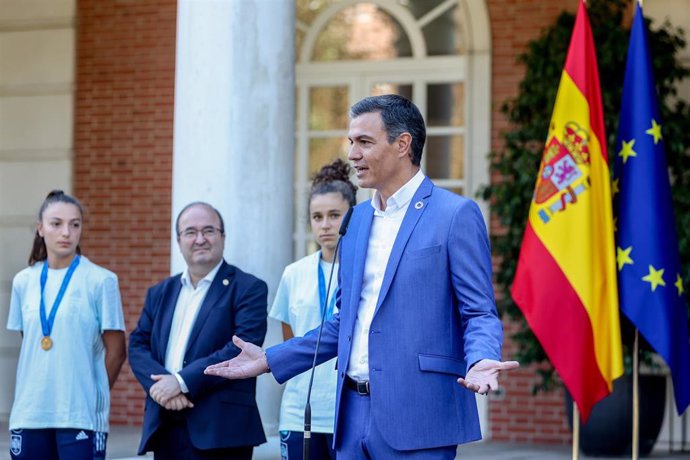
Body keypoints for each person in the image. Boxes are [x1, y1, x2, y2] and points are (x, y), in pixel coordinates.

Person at [206, 94, 519, 458]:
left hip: (420, 417)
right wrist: (272, 359)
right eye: (351, 141)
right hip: (351, 416)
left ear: (403, 144)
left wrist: (480, 358)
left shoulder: (455, 214)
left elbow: (478, 311)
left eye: (364, 142)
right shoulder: (355, 221)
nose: (352, 153)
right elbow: (343, 324)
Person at [128, 201, 268, 459]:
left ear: (222, 237)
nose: (200, 239)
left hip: (222, 431)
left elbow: (240, 349)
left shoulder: (249, 288)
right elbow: (137, 345)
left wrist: (181, 382)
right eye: (190, 232)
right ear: (179, 240)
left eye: (209, 231)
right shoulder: (160, 292)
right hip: (166, 425)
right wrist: (163, 387)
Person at [7, 190, 126, 460]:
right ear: (40, 228)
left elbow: (117, 352)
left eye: (75, 224)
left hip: (79, 416)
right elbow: (31, 342)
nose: (66, 232)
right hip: (29, 413)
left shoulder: (101, 280)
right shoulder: (23, 282)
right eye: (56, 223)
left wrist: (91, 395)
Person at [270, 159, 357, 460]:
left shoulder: (366, 272)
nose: (325, 224)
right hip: (299, 411)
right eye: (317, 217)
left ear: (351, 216)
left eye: (335, 215)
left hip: (349, 411)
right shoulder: (293, 273)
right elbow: (291, 343)